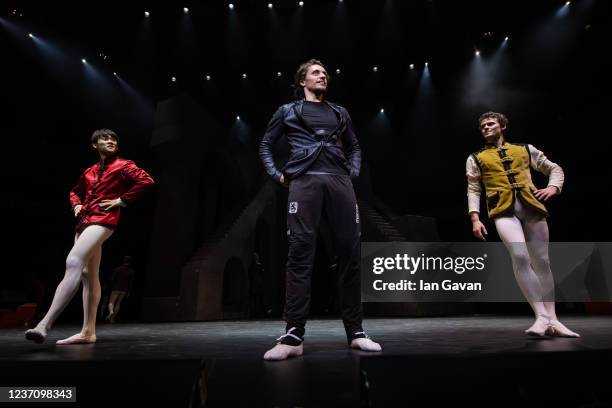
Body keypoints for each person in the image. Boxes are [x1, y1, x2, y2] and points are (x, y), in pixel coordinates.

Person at [259, 59, 382, 360]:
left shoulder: (340, 112)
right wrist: (277, 175)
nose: (323, 75)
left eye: (325, 72)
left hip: (339, 182)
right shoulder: (287, 111)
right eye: (316, 72)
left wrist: (351, 171)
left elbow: (354, 146)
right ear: (302, 81)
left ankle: (356, 332)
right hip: (304, 182)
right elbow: (265, 145)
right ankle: (293, 335)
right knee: (300, 252)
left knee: (350, 253)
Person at [25, 129, 154, 344]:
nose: (111, 141)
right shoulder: (89, 171)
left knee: (74, 261)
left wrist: (121, 200)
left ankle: (44, 324)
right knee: (87, 274)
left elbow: (146, 180)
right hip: (84, 221)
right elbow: (75, 191)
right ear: (95, 145)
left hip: (103, 220)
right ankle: (88, 332)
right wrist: (76, 204)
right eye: (105, 138)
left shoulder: (124, 165)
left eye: (114, 139)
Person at [466, 112, 579, 337]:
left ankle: (554, 320)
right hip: (503, 210)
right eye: (483, 126)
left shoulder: (525, 149)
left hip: (532, 208)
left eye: (490, 124)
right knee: (520, 257)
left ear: (502, 126)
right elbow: (474, 188)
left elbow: (554, 168)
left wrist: (553, 187)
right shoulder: (476, 157)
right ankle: (541, 316)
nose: (486, 128)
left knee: (543, 261)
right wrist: (475, 218)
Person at [106, 255, 135, 323]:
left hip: (116, 288)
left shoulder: (118, 269)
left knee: (111, 302)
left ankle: (111, 311)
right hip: (124, 290)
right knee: (118, 304)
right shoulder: (131, 271)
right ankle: (112, 319)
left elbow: (112, 279)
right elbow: (130, 283)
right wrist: (128, 292)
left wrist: (109, 287)